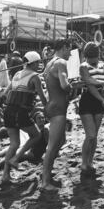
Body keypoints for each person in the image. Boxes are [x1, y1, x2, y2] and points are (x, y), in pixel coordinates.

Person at [41, 39, 83, 191]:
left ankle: (47, 173)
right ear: (64, 48)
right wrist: (75, 86)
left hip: (51, 105)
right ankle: (45, 181)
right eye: (69, 50)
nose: (71, 55)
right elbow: (64, 85)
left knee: (60, 141)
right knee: (52, 146)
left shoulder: (49, 63)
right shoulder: (61, 63)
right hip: (58, 108)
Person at [0, 51, 48, 184]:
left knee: (14, 143)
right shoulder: (35, 77)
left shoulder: (16, 74)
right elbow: (43, 98)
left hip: (8, 111)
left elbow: (5, 93)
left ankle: (5, 175)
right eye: (38, 62)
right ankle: (16, 159)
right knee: (36, 136)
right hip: (20, 112)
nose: (39, 64)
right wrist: (48, 109)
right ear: (32, 63)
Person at [79, 42, 104, 175]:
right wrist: (102, 97)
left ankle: (90, 161)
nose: (93, 59)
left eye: (95, 56)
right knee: (90, 135)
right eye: (91, 56)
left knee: (94, 136)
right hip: (88, 100)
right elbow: (89, 84)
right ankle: (84, 162)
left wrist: (98, 82)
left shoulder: (103, 65)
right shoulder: (83, 66)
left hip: (100, 101)